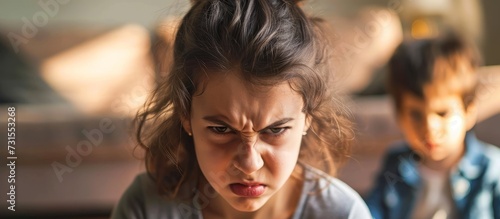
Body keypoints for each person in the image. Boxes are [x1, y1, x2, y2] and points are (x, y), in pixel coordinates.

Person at [111, 0, 371, 218]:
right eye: (221, 129)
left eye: (276, 129)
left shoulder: (343, 213)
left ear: (308, 118)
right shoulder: (145, 207)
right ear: (185, 115)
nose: (249, 164)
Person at [365, 33, 500, 219]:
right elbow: (370, 212)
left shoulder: (492, 170)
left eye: (442, 113)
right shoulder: (396, 163)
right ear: (399, 115)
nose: (429, 128)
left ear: (468, 112)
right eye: (416, 115)